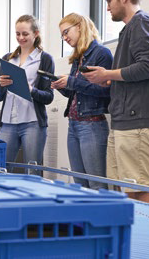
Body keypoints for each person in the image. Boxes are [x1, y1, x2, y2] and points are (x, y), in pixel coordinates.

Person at [83, 0, 149, 204]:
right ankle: (133, 237)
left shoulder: (142, 22)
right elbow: (136, 71)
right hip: (125, 120)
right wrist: (110, 81)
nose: (107, 6)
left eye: (109, 0)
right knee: (128, 187)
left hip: (137, 121)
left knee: (140, 187)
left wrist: (107, 74)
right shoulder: (131, 28)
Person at [51, 13, 113, 190]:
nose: (65, 38)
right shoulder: (78, 57)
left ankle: (100, 218)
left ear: (79, 26)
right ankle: (86, 218)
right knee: (79, 184)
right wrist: (61, 86)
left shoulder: (102, 53)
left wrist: (71, 81)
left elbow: (106, 90)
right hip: (74, 125)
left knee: (96, 184)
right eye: (62, 35)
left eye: (66, 32)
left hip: (91, 126)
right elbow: (78, 92)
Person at [0, 15, 54, 175]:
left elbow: (49, 96)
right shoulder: (9, 59)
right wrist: (1, 85)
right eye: (17, 34)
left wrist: (31, 90)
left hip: (33, 123)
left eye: (25, 34)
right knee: (0, 169)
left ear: (36, 33)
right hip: (8, 122)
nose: (21, 38)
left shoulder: (45, 59)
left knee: (32, 171)